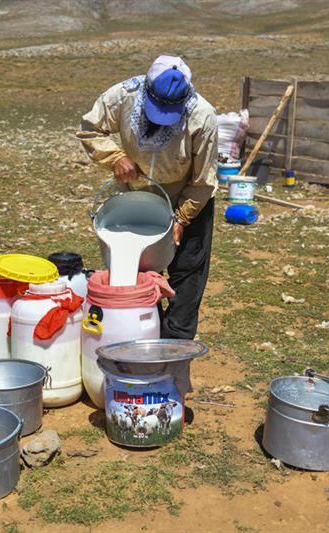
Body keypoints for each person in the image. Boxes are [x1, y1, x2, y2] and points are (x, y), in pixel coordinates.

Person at [77, 55, 218, 340]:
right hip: (138, 195)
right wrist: (116, 157)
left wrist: (181, 219)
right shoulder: (124, 96)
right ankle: (142, 328)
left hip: (188, 195)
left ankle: (176, 342)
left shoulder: (202, 117)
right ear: (147, 90)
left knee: (187, 272)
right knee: (139, 268)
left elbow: (203, 181)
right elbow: (90, 129)